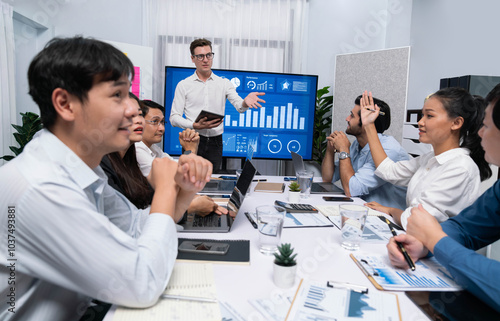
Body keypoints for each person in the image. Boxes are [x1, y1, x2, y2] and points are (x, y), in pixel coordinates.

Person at [0, 36, 212, 320]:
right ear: (65, 104)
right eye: (117, 96)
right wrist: (164, 190)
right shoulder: (41, 187)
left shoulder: (82, 168)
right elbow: (141, 284)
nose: (132, 111)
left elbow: (136, 227)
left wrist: (183, 191)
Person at [387, 83, 500, 312]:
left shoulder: (461, 166)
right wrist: (422, 245)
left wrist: (435, 240)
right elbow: (465, 228)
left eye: (486, 126)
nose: (479, 133)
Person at [360, 88, 491, 228]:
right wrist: (369, 125)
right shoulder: (430, 159)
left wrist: (391, 210)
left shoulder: (460, 167)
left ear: (456, 123)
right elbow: (389, 171)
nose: (420, 122)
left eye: (429, 116)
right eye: (422, 115)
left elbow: (415, 220)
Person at [102, 93, 227, 216]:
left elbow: (149, 198)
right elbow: (129, 219)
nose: (138, 121)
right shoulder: (104, 164)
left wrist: (192, 202)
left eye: (139, 114)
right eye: (128, 115)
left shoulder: (130, 158)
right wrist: (190, 207)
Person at [169, 38, 266, 171]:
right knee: (188, 179)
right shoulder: (183, 85)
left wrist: (245, 102)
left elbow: (239, 106)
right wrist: (194, 125)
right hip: (191, 140)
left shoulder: (224, 83)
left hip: (216, 142)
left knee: (212, 180)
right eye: (200, 56)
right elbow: (173, 118)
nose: (205, 59)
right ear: (192, 58)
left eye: (209, 55)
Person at [321, 95, 409, 210]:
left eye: (352, 116)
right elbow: (328, 178)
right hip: (363, 210)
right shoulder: (357, 145)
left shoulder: (389, 150)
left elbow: (351, 190)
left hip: (388, 219)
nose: (347, 118)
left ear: (366, 122)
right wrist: (330, 148)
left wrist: (343, 150)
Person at [136, 99, 199, 176]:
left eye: (162, 122)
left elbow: (179, 166)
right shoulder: (137, 148)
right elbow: (173, 176)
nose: (162, 128)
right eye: (155, 121)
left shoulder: (153, 148)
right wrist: (190, 150)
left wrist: (189, 150)